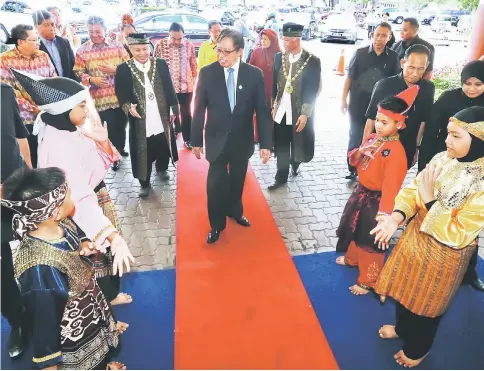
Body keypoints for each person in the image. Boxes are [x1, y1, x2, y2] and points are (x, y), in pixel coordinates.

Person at [371, 106, 484, 368]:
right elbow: (413, 192)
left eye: (456, 136)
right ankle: (402, 328)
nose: (447, 141)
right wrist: (395, 218)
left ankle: (417, 349)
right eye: (448, 134)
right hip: (414, 237)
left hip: (447, 253)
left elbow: (459, 232)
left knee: (426, 306)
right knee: (403, 289)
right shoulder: (442, 159)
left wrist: (430, 200)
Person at [11, 69, 135, 307]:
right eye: (81, 106)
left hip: (89, 197)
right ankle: (106, 298)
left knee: (96, 251)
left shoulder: (61, 126)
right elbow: (79, 196)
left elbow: (90, 164)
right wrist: (111, 234)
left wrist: (102, 142)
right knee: (98, 252)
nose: (86, 110)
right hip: (83, 205)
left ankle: (105, 296)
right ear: (63, 109)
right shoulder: (60, 145)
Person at [0, 167, 126, 370]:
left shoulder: (60, 224)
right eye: (67, 194)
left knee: (100, 347)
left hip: (89, 309)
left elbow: (76, 236)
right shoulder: (40, 272)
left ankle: (103, 364)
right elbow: (45, 331)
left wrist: (84, 245)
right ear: (55, 210)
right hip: (71, 332)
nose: (72, 195)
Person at [191, 28, 273, 244]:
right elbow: (198, 108)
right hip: (216, 139)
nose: (221, 56)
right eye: (219, 50)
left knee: (237, 181)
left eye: (227, 52)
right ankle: (216, 224)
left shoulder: (254, 75)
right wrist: (196, 140)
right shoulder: (208, 73)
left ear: (240, 51)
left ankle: (235, 211)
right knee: (215, 185)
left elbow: (262, 111)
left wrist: (266, 143)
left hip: (241, 141)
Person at [336, 87, 417, 295]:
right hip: (361, 193)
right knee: (354, 230)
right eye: (378, 120)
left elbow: (392, 186)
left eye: (384, 122)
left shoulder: (397, 153)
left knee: (369, 239)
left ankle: (369, 280)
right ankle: (352, 259)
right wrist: (361, 151)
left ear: (399, 124)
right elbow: (355, 160)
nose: (379, 126)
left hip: (376, 201)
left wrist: (385, 215)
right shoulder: (372, 138)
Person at [115, 33, 179, 198]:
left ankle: (162, 168)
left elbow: (169, 88)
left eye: (144, 49)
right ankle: (144, 182)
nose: (142, 53)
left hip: (161, 114)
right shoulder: (123, 69)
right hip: (141, 118)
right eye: (137, 50)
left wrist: (173, 109)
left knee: (163, 142)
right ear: (130, 50)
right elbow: (121, 93)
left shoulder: (161, 64)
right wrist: (129, 107)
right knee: (143, 149)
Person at [341, 22, 400, 180]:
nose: (380, 38)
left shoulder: (393, 57)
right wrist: (343, 99)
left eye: (384, 36)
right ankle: (352, 168)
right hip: (358, 103)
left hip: (379, 108)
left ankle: (369, 168)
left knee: (374, 137)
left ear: (389, 37)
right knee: (355, 135)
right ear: (372, 35)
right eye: (377, 35)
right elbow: (349, 78)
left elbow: (395, 82)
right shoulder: (359, 54)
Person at [268, 23, 321, 190]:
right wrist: (272, 104)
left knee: (297, 142)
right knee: (282, 144)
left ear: (296, 40)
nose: (283, 43)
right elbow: (274, 84)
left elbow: (312, 90)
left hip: (299, 111)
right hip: (281, 110)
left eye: (286, 40)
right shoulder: (279, 58)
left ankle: (296, 162)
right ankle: (280, 177)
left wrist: (306, 114)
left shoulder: (312, 61)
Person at [364, 44, 435, 170]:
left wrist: (416, 148)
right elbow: (371, 119)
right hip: (380, 146)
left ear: (427, 65)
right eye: (411, 67)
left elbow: (422, 121)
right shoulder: (384, 85)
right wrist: (364, 147)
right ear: (403, 63)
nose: (415, 73)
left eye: (420, 69)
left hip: (406, 148)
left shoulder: (428, 88)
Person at [74, 16, 130, 171]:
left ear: (105, 30)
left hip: (120, 96)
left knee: (121, 125)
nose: (95, 34)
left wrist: (115, 70)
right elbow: (77, 72)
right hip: (100, 99)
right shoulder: (82, 50)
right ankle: (114, 155)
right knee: (109, 127)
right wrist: (91, 79)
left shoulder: (117, 46)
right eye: (91, 31)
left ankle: (119, 147)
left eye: (98, 31)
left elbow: (129, 67)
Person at [1, 83, 31, 358]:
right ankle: (18, 322)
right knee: (2, 276)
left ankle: (48, 311)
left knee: (34, 257)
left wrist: (34, 179)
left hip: (18, 193)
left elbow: (20, 138)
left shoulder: (4, 92)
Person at [0, 24, 56, 168]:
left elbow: (54, 80)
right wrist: (33, 108)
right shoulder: (5, 60)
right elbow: (9, 92)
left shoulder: (43, 56)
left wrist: (47, 107)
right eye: (34, 40)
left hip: (47, 116)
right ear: (21, 42)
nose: (38, 42)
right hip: (25, 120)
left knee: (49, 155)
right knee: (31, 157)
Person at [419, 60, 484, 171]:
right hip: (445, 154)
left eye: (478, 84)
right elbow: (431, 131)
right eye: (467, 83)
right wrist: (423, 164)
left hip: (478, 163)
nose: (472, 89)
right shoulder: (449, 98)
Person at [154, 22, 197, 149]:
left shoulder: (189, 45)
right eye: (174, 38)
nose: (177, 41)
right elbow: (155, 67)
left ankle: (188, 139)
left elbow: (193, 65)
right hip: (167, 88)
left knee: (186, 113)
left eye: (180, 38)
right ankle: (168, 140)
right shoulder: (160, 45)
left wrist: (194, 81)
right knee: (167, 114)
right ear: (169, 34)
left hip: (186, 87)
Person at [248, 28, 280, 142]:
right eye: (262, 39)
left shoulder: (279, 55)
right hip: (259, 89)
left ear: (273, 41)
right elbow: (249, 69)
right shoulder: (256, 52)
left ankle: (271, 138)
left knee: (273, 114)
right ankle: (258, 137)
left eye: (266, 39)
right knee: (259, 114)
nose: (263, 41)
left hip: (274, 90)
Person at [34, 10, 77, 80]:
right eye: (46, 25)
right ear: (36, 27)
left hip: (69, 86)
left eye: (52, 24)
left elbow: (74, 66)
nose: (51, 28)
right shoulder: (35, 47)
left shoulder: (64, 42)